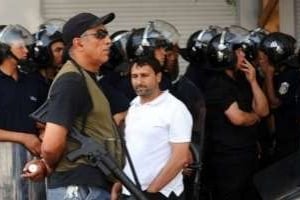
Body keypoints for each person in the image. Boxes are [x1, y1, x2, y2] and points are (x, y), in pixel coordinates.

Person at [22, 12, 124, 200]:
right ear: (79, 43)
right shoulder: (71, 81)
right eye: (100, 35)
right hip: (78, 188)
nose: (109, 41)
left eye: (108, 35)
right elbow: (51, 146)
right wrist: (48, 164)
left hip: (90, 186)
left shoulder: (86, 79)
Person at [112, 56, 192, 200]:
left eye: (145, 75)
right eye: (134, 76)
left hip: (163, 193)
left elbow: (180, 158)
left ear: (158, 77)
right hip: (131, 191)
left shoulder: (175, 109)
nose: (139, 81)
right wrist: (120, 183)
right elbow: (133, 152)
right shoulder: (134, 106)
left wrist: (152, 192)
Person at [204, 29, 269, 200]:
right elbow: (238, 117)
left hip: (247, 154)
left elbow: (264, 110)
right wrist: (255, 118)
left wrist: (253, 81)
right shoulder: (216, 84)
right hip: (228, 160)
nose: (243, 54)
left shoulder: (243, 78)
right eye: (238, 51)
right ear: (226, 55)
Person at [0, 24, 47, 200]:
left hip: (33, 164)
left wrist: (43, 133)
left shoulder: (33, 82)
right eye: (20, 46)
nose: (26, 50)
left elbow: (45, 120)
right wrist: (24, 137)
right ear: (4, 49)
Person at [259, 32, 300, 161]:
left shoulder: (290, 74)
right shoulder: (281, 73)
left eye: (264, 56)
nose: (261, 61)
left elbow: (274, 103)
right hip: (281, 135)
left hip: (291, 138)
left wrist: (268, 74)